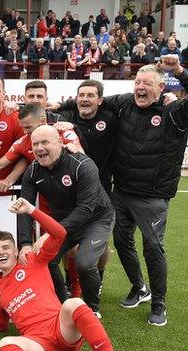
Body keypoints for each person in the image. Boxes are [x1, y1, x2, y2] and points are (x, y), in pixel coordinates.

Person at [100, 59, 188, 326]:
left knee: (153, 247)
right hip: (122, 191)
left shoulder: (174, 111)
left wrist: (180, 71)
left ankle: (159, 303)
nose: (140, 87)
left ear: (160, 88)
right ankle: (140, 287)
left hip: (152, 196)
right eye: (137, 82)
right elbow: (92, 102)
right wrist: (60, 107)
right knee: (121, 241)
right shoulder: (125, 103)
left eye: (147, 83)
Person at [0, 197, 113, 351]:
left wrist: (31, 210)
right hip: (37, 342)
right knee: (5, 343)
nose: (1, 252)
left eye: (6, 247)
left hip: (61, 328)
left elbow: (59, 234)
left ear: (16, 251)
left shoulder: (32, 259)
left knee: (73, 303)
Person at [18, 125, 114, 316]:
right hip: (63, 220)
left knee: (84, 263)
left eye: (45, 142)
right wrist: (25, 243)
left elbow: (86, 209)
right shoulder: (33, 171)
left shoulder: (82, 165)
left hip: (96, 218)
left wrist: (49, 235)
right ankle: (64, 306)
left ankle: (92, 310)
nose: (39, 148)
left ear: (60, 143)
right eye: (35, 144)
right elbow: (24, 207)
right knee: (46, 260)